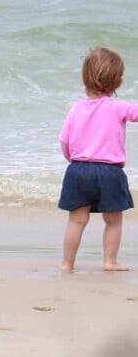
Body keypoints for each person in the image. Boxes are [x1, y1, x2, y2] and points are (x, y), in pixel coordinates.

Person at [58, 46, 138, 272]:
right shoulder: (119, 107)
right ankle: (109, 261)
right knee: (113, 220)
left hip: (78, 169)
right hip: (109, 172)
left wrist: (71, 159)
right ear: (118, 83)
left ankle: (67, 263)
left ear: (84, 78)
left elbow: (65, 140)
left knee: (77, 220)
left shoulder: (75, 109)